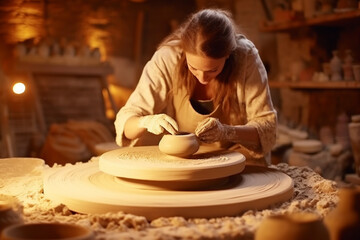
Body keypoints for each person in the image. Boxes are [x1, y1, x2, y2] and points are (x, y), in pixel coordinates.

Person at [114, 8, 277, 165]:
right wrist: (145, 122)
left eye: (212, 70)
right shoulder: (167, 58)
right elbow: (127, 125)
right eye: (193, 68)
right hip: (187, 159)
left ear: (227, 55)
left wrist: (227, 131)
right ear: (184, 52)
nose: (202, 77)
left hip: (237, 157)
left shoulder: (245, 57)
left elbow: (267, 129)